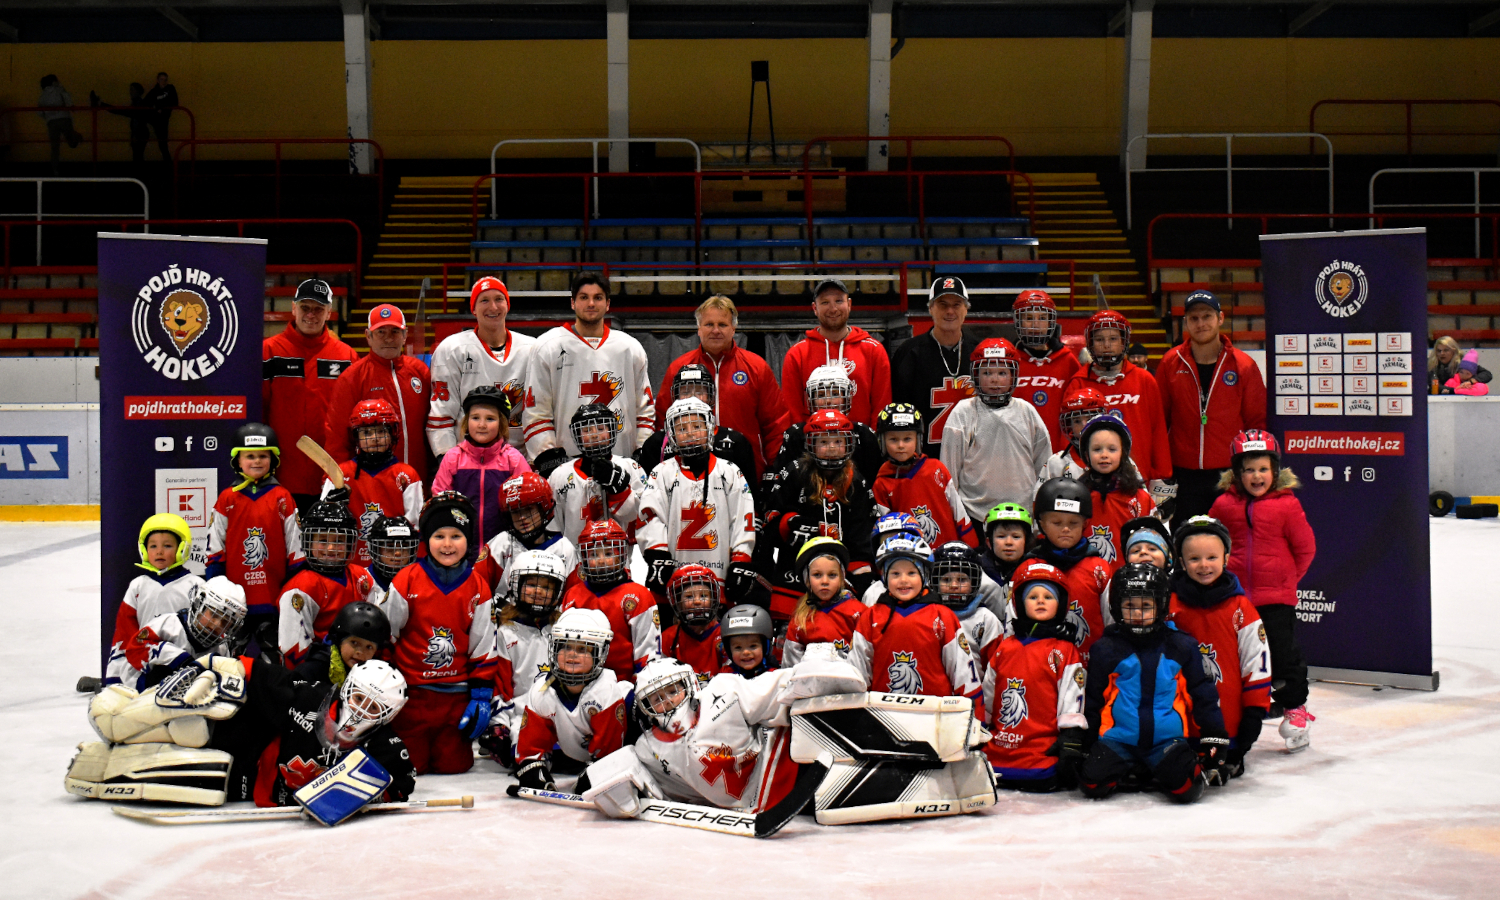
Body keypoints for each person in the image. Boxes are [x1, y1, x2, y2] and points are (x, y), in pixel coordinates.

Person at [583, 650, 864, 817]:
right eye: (656, 699)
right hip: (753, 809)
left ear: (690, 685)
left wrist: (814, 677)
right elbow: (656, 790)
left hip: (786, 769)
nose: (667, 703)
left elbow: (774, 690)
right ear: (645, 707)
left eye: (672, 691)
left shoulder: (723, 690)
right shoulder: (648, 750)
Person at [1078, 563, 1229, 803]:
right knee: (1092, 783)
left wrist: (1214, 737)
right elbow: (1094, 699)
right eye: (1129, 606)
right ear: (1116, 606)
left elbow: (1202, 694)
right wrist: (1084, 744)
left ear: (1161, 606)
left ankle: (1153, 768)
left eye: (1146, 606)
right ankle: (1138, 769)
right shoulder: (1106, 649)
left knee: (1188, 790)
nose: (1138, 614)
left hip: (1166, 742)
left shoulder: (1181, 646)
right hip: (1118, 740)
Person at [1209, 430, 1316, 751]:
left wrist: (1286, 581)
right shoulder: (1224, 505)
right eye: (1249, 469)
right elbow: (1210, 542)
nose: (1256, 476)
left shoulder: (1287, 505)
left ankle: (1295, 708)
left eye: (1263, 469)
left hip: (1276, 599)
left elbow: (1305, 549)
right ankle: (1235, 710)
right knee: (1237, 657)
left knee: (1285, 657)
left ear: (1275, 471)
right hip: (1235, 599)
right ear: (1237, 473)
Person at [384, 492, 498, 775]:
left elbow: (483, 645)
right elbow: (387, 635)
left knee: (455, 767)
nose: (447, 544)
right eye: (439, 536)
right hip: (411, 698)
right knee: (412, 768)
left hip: (455, 702)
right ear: (426, 539)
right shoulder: (406, 579)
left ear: (468, 540)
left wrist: (481, 696)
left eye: (456, 536)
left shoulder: (478, 587)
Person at [1168, 516, 1273, 782]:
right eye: (1194, 559)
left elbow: (1256, 662)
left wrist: (1254, 712)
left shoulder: (1241, 608)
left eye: (1212, 557)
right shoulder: (1169, 604)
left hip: (1229, 717)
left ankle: (1228, 755)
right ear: (1181, 562)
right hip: (1179, 718)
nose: (1204, 565)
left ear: (1225, 558)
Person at [524, 273, 654, 476]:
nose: (591, 303)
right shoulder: (547, 346)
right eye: (584, 297)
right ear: (573, 303)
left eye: (598, 297)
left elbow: (644, 411)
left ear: (608, 303)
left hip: (621, 464)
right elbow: (536, 410)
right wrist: (547, 455)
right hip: (566, 469)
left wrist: (641, 450)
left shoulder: (630, 348)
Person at [1154, 291, 1267, 523]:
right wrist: (1161, 472)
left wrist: (1250, 470)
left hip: (1229, 473)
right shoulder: (1170, 363)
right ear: (1186, 322)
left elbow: (1256, 424)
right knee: (1185, 542)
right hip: (1183, 475)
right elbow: (1158, 422)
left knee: (1228, 542)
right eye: (1194, 318)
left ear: (1220, 318)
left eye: (1207, 316)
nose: (1201, 323)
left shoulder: (1243, 366)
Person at [651, 295, 791, 477]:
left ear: (734, 328)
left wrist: (774, 468)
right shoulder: (679, 369)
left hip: (747, 470)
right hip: (688, 472)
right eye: (709, 324)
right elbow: (663, 423)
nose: (716, 330)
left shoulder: (756, 367)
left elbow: (775, 424)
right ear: (699, 329)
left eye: (722, 325)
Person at [636, 398, 757, 606]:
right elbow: (651, 516)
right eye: (682, 428)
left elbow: (742, 518)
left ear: (710, 428)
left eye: (697, 426)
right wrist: (657, 555)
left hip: (719, 576)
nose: (690, 433)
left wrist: (741, 559)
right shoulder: (661, 473)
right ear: (672, 435)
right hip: (673, 577)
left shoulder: (729, 471)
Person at [763, 409, 878, 621]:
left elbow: (862, 537)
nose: (831, 449)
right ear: (811, 444)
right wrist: (789, 523)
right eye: (823, 442)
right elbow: (769, 523)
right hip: (793, 571)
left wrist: (860, 578)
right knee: (788, 635)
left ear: (849, 444)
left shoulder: (857, 482)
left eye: (837, 442)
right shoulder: (794, 473)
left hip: (839, 576)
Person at [982, 558, 1086, 792]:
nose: (1040, 601)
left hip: (1040, 749)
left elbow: (1072, 696)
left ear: (1060, 604)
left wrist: (1071, 738)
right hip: (999, 747)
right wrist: (980, 725)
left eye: (1048, 597)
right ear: (1019, 603)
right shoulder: (1005, 647)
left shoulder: (1064, 650)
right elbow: (989, 692)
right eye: (1033, 596)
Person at [262, 278, 359, 514]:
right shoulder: (269, 351)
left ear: (329, 313)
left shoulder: (346, 356)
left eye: (318, 309)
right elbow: (259, 409)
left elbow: (353, 418)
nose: (311, 315)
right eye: (305, 308)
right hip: (280, 473)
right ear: (294, 309)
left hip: (331, 475)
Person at [848, 535, 983, 704]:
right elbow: (858, 670)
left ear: (925, 575)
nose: (903, 580)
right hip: (883, 715)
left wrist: (974, 716)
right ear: (884, 577)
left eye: (912, 572)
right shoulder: (870, 618)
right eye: (895, 573)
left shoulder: (943, 616)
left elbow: (963, 673)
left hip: (936, 717)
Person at [513, 607, 636, 790]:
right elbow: (531, 746)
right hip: (580, 754)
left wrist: (598, 773)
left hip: (628, 744)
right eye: (566, 647)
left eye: (582, 649)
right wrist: (533, 769)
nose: (572, 654)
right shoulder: (541, 691)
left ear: (599, 654)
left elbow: (610, 752)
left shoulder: (606, 690)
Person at [941, 338, 1052, 525]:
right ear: (976, 375)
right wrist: (958, 519)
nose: (994, 379)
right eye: (986, 372)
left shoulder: (1027, 411)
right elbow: (949, 472)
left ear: (1013, 376)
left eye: (1002, 372)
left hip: (1022, 513)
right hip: (973, 514)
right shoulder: (963, 412)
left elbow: (1044, 466)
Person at [205, 423, 302, 631]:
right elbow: (215, 544)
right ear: (237, 460)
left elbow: (295, 545)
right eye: (250, 456)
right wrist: (215, 582)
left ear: (273, 460)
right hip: (233, 598)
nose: (257, 461)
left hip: (274, 593)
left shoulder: (282, 497)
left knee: (271, 649)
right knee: (232, 654)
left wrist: (295, 583)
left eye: (263, 456)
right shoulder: (227, 497)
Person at [1065, 309, 1173, 496]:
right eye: (1099, 340)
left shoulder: (1145, 380)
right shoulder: (1078, 383)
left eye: (1113, 339)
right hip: (1092, 485)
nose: (1107, 345)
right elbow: (1069, 438)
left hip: (1139, 483)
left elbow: (1158, 433)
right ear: (1090, 343)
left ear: (1124, 341)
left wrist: (1163, 479)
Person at [427, 277, 537, 457]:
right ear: (473, 309)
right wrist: (446, 458)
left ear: (507, 305)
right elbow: (442, 415)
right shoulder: (452, 349)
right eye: (484, 300)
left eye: (499, 299)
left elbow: (539, 412)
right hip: (469, 459)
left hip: (520, 459)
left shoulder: (532, 348)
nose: (493, 307)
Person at [325, 304, 432, 484]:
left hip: (419, 479)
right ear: (368, 336)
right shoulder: (352, 377)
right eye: (381, 332)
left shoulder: (421, 372)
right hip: (372, 484)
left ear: (405, 335)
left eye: (395, 332)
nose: (388, 339)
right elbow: (338, 437)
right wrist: (338, 481)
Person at [483, 550, 569, 768]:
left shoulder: (564, 629)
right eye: (531, 584)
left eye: (547, 587)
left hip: (563, 714)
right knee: (526, 760)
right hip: (523, 717)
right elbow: (501, 688)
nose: (538, 592)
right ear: (515, 585)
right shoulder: (506, 633)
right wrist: (498, 727)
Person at [276, 497, 379, 667]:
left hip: (360, 666)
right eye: (323, 540)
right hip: (318, 672)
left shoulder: (362, 577)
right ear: (308, 542)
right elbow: (293, 649)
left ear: (349, 543)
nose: (330, 549)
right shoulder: (301, 588)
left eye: (338, 541)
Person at [105, 514, 204, 687]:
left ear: (183, 548)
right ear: (144, 549)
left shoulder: (196, 586)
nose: (159, 551)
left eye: (167, 546)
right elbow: (124, 633)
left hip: (186, 664)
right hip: (146, 664)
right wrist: (114, 678)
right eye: (153, 546)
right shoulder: (137, 586)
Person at [321, 399, 422, 566]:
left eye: (381, 431)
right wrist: (331, 507)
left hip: (393, 562)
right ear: (356, 437)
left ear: (392, 434)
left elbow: (414, 526)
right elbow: (322, 523)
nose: (375, 438)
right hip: (349, 564)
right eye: (367, 433)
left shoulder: (407, 475)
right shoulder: (339, 474)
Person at [780, 278, 892, 427]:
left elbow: (881, 406)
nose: (833, 309)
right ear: (815, 308)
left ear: (849, 304)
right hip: (814, 445)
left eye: (839, 301)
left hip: (861, 445)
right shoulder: (797, 354)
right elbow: (792, 410)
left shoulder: (873, 350)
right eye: (825, 302)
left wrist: (872, 443)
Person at [561, 519, 661, 683]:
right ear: (584, 557)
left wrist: (637, 691)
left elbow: (648, 656)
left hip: (624, 687)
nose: (601, 561)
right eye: (594, 554)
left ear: (622, 554)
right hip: (579, 684)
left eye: (608, 554)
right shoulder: (572, 595)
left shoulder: (639, 596)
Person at [889, 276, 978, 457]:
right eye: (943, 304)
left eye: (957, 305)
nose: (950, 311)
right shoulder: (909, 353)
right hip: (925, 458)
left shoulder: (979, 353)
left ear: (966, 309)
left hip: (973, 457)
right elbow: (899, 410)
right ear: (930, 308)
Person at [432, 386, 532, 545]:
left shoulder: (513, 459)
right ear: (466, 421)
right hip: (462, 549)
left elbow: (527, 504)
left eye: (490, 419)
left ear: (502, 423)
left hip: (503, 549)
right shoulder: (453, 458)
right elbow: (440, 502)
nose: (482, 425)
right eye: (475, 417)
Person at [110, 577, 248, 692]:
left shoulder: (221, 649)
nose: (217, 624)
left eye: (225, 622)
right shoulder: (169, 624)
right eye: (214, 614)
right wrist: (177, 657)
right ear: (199, 604)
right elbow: (135, 648)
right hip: (139, 695)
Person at [1026, 477, 1112, 657]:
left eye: (1073, 523)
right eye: (1057, 523)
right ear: (1041, 524)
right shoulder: (1029, 568)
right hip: (1043, 664)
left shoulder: (1099, 569)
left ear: (1085, 524)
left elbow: (1111, 622)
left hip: (1091, 663)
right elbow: (1014, 622)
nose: (1065, 528)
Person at [872, 403, 977, 548]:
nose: (901, 445)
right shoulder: (882, 483)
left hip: (948, 554)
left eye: (907, 439)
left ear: (918, 439)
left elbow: (959, 513)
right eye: (893, 439)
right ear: (882, 441)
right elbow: (886, 531)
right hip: (910, 559)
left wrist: (972, 547)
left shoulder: (937, 469)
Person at [547, 404, 650, 545]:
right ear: (577, 435)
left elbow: (642, 515)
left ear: (611, 430)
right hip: (576, 562)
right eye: (587, 430)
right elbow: (553, 527)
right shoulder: (560, 475)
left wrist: (621, 491)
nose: (594, 434)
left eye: (601, 429)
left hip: (620, 558)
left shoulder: (630, 467)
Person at [637, 363, 759, 482]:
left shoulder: (736, 442)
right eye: (685, 392)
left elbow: (749, 495)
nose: (692, 398)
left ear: (710, 396)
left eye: (700, 392)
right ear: (676, 396)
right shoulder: (656, 444)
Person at [767, 363, 884, 486]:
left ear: (846, 397)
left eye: (835, 394)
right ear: (810, 399)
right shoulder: (796, 434)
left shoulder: (864, 435)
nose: (828, 401)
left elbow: (876, 483)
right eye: (821, 395)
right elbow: (782, 482)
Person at [477, 471, 577, 606]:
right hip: (506, 623)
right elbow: (476, 587)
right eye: (515, 512)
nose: (522, 518)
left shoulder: (564, 548)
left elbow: (573, 596)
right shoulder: (501, 544)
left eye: (528, 509)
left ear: (544, 508)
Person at [1076, 415, 1156, 567]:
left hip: (1129, 577)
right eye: (1097, 449)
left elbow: (1154, 541)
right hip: (1087, 574)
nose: (1104, 455)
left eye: (1112, 449)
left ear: (1123, 453)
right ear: (1087, 455)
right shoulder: (1078, 495)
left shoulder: (1139, 497)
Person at [1010, 289, 1083, 453]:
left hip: (1058, 455)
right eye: (1029, 318)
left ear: (1051, 322)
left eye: (1042, 318)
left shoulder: (1069, 361)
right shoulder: (1008, 361)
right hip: (1016, 453)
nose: (1035, 324)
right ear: (1018, 321)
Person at [782, 537, 863, 668]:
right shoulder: (800, 619)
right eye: (817, 575)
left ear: (842, 578)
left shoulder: (858, 612)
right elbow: (790, 667)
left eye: (832, 575)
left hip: (849, 685)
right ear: (806, 579)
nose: (825, 581)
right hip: (809, 685)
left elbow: (866, 658)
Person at [932, 541, 1005, 674]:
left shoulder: (986, 619)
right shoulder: (927, 616)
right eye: (946, 580)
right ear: (935, 582)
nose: (954, 585)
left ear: (975, 582)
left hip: (975, 692)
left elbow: (996, 668)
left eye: (962, 580)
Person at [291, 600, 391, 685]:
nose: (360, 652)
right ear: (338, 639)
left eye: (369, 647)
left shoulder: (374, 681)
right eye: (354, 643)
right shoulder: (310, 671)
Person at [659, 565, 729, 681]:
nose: (697, 601)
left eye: (703, 596)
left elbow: (732, 678)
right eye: (689, 597)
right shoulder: (669, 637)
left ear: (713, 599)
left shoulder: (724, 634)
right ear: (678, 602)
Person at [1036, 385, 1107, 487]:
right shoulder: (1056, 463)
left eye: (1090, 418)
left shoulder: (1118, 459)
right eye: (1077, 421)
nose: (1084, 426)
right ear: (1070, 426)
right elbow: (1040, 500)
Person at [90, 83, 152, 165]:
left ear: (137, 91)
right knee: (138, 156)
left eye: (132, 89)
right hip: (141, 132)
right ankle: (139, 175)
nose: (130, 91)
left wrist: (135, 135)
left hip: (139, 132)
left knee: (137, 157)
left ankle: (139, 175)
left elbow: (127, 114)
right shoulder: (138, 102)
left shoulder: (137, 103)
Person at [978, 502, 1032, 592]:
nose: (1009, 542)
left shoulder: (1035, 571)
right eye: (1001, 536)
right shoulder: (978, 572)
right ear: (989, 542)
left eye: (1016, 537)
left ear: (1026, 541)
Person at [365, 514, 419, 595]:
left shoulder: (419, 580)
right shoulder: (362, 579)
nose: (398, 553)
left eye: (404, 546)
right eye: (390, 546)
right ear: (376, 550)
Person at [38, 75, 82, 174]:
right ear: (54, 81)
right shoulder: (60, 89)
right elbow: (67, 98)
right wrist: (71, 107)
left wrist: (48, 116)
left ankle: (55, 169)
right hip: (64, 118)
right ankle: (77, 137)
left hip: (51, 122)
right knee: (71, 142)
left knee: (55, 147)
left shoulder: (43, 95)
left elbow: (39, 111)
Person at [719, 604, 775, 677]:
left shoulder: (773, 676)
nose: (745, 652)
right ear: (729, 650)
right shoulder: (725, 676)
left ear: (765, 647)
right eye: (738, 647)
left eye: (753, 646)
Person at [144, 71, 178, 161]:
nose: (164, 82)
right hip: (156, 118)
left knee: (163, 142)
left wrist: (159, 107)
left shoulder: (170, 88)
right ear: (158, 80)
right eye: (162, 79)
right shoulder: (154, 92)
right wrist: (156, 107)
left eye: (165, 80)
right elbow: (146, 102)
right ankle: (168, 164)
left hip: (163, 119)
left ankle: (168, 164)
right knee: (162, 142)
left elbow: (175, 102)